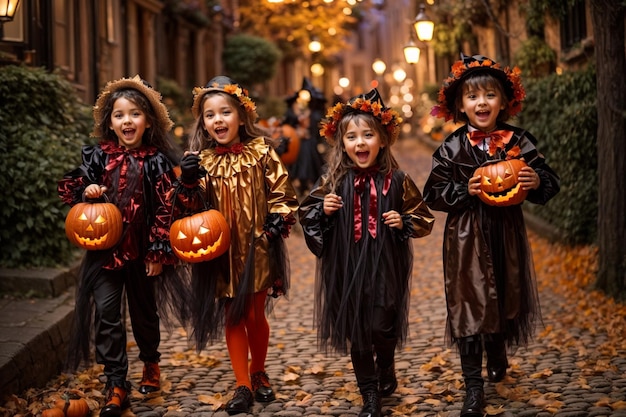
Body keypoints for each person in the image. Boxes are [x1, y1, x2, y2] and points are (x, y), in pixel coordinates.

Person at [422, 54, 560, 416]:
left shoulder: (520, 141)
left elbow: (550, 181)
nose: (481, 103)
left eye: (489, 95)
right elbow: (432, 193)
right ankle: (473, 386)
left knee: (505, 294)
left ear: (503, 101)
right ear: (460, 105)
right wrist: (462, 190)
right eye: (472, 97)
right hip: (466, 237)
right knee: (469, 302)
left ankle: (497, 349)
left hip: (506, 233)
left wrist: (536, 181)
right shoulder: (451, 148)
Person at [298, 89, 435, 417]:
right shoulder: (333, 180)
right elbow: (308, 214)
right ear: (342, 143)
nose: (360, 143)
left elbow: (424, 218)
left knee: (382, 325)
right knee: (357, 327)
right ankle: (369, 393)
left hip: (386, 263)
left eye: (368, 135)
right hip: (347, 264)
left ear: (383, 140)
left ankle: (386, 363)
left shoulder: (397, 180)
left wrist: (403, 220)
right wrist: (325, 211)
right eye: (352, 136)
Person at [58, 76, 187, 417]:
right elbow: (74, 184)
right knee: (107, 315)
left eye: (134, 114)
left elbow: (166, 207)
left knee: (145, 314)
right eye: (119, 115)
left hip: (144, 252)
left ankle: (150, 362)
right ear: (110, 122)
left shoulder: (157, 161)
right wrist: (87, 190)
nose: (127, 121)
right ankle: (116, 382)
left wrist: (159, 251)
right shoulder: (98, 156)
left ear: (147, 121)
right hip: (105, 252)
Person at [173, 76, 299, 415]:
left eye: (225, 112)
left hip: (257, 246)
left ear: (241, 116)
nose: (218, 120)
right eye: (210, 115)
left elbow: (282, 194)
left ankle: (258, 371)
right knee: (232, 314)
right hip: (220, 251)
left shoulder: (262, 152)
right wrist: (186, 180)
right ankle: (242, 384)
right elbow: (186, 209)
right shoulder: (202, 161)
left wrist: (277, 221)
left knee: (255, 315)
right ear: (203, 122)